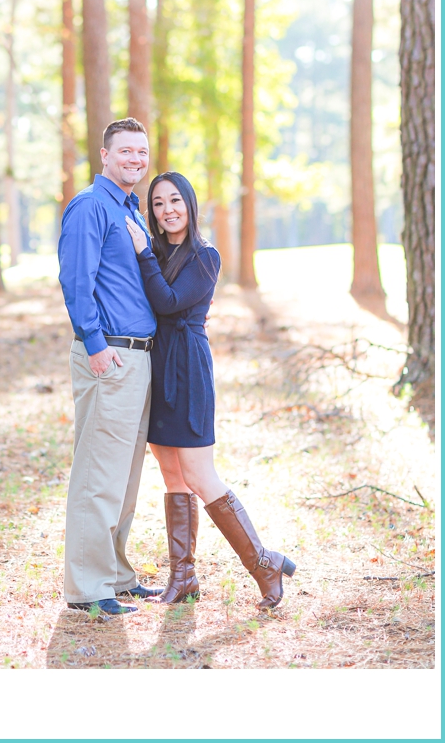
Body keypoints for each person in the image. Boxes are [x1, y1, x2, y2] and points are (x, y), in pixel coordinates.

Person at [125, 171, 296, 610]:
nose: (168, 210)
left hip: (187, 368)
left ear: (190, 204)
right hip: (156, 366)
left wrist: (143, 252)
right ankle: (183, 577)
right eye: (158, 203)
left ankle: (264, 563)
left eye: (175, 200)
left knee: (200, 475)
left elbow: (166, 303)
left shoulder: (205, 256)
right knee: (171, 475)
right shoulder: (158, 253)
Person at [57, 117, 162, 616]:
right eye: (125, 151)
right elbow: (77, 282)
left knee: (124, 477)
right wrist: (96, 345)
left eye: (141, 152)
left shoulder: (131, 210)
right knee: (98, 474)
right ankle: (87, 588)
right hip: (110, 356)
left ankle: (116, 575)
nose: (135, 160)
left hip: (138, 357)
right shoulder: (89, 207)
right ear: (105, 154)